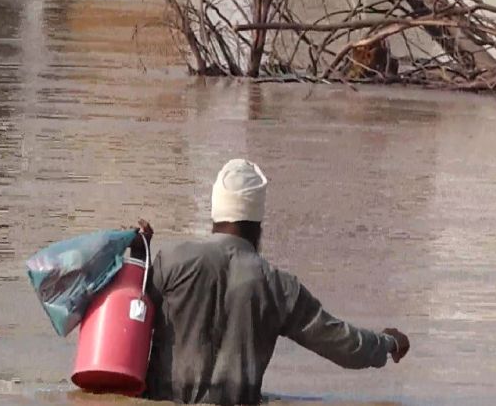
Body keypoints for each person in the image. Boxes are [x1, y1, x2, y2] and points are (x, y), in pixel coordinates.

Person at [129, 159, 409, 406]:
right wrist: (389, 342)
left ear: (215, 214)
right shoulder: (278, 287)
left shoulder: (170, 262)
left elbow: (127, 319)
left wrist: (138, 260)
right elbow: (342, 344)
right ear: (259, 225)